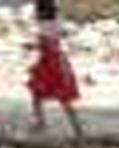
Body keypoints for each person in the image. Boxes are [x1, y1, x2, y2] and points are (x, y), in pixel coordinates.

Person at [28, 0, 84, 140]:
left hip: (50, 62)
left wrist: (35, 46)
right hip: (51, 60)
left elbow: (47, 43)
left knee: (45, 94)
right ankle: (75, 129)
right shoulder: (54, 20)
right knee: (41, 94)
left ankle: (75, 129)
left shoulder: (46, 23)